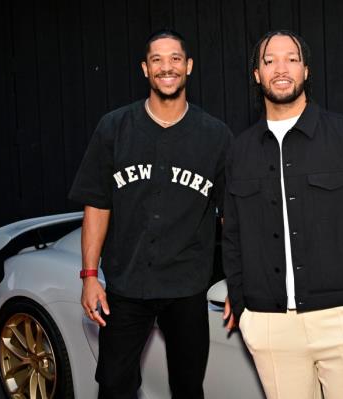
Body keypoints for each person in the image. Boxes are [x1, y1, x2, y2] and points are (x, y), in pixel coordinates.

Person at [222, 30, 343, 399]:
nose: (280, 68)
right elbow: (232, 234)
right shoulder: (240, 151)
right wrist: (243, 305)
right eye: (269, 61)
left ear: (306, 71)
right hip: (271, 327)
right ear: (257, 75)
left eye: (291, 59)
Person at [69, 29, 232, 399]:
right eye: (157, 60)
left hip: (187, 288)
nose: (166, 67)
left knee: (188, 388)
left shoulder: (216, 136)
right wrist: (89, 276)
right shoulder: (113, 128)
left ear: (188, 66)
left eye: (175, 58)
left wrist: (238, 281)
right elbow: (97, 204)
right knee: (113, 385)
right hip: (126, 286)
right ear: (145, 69)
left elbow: (231, 216)